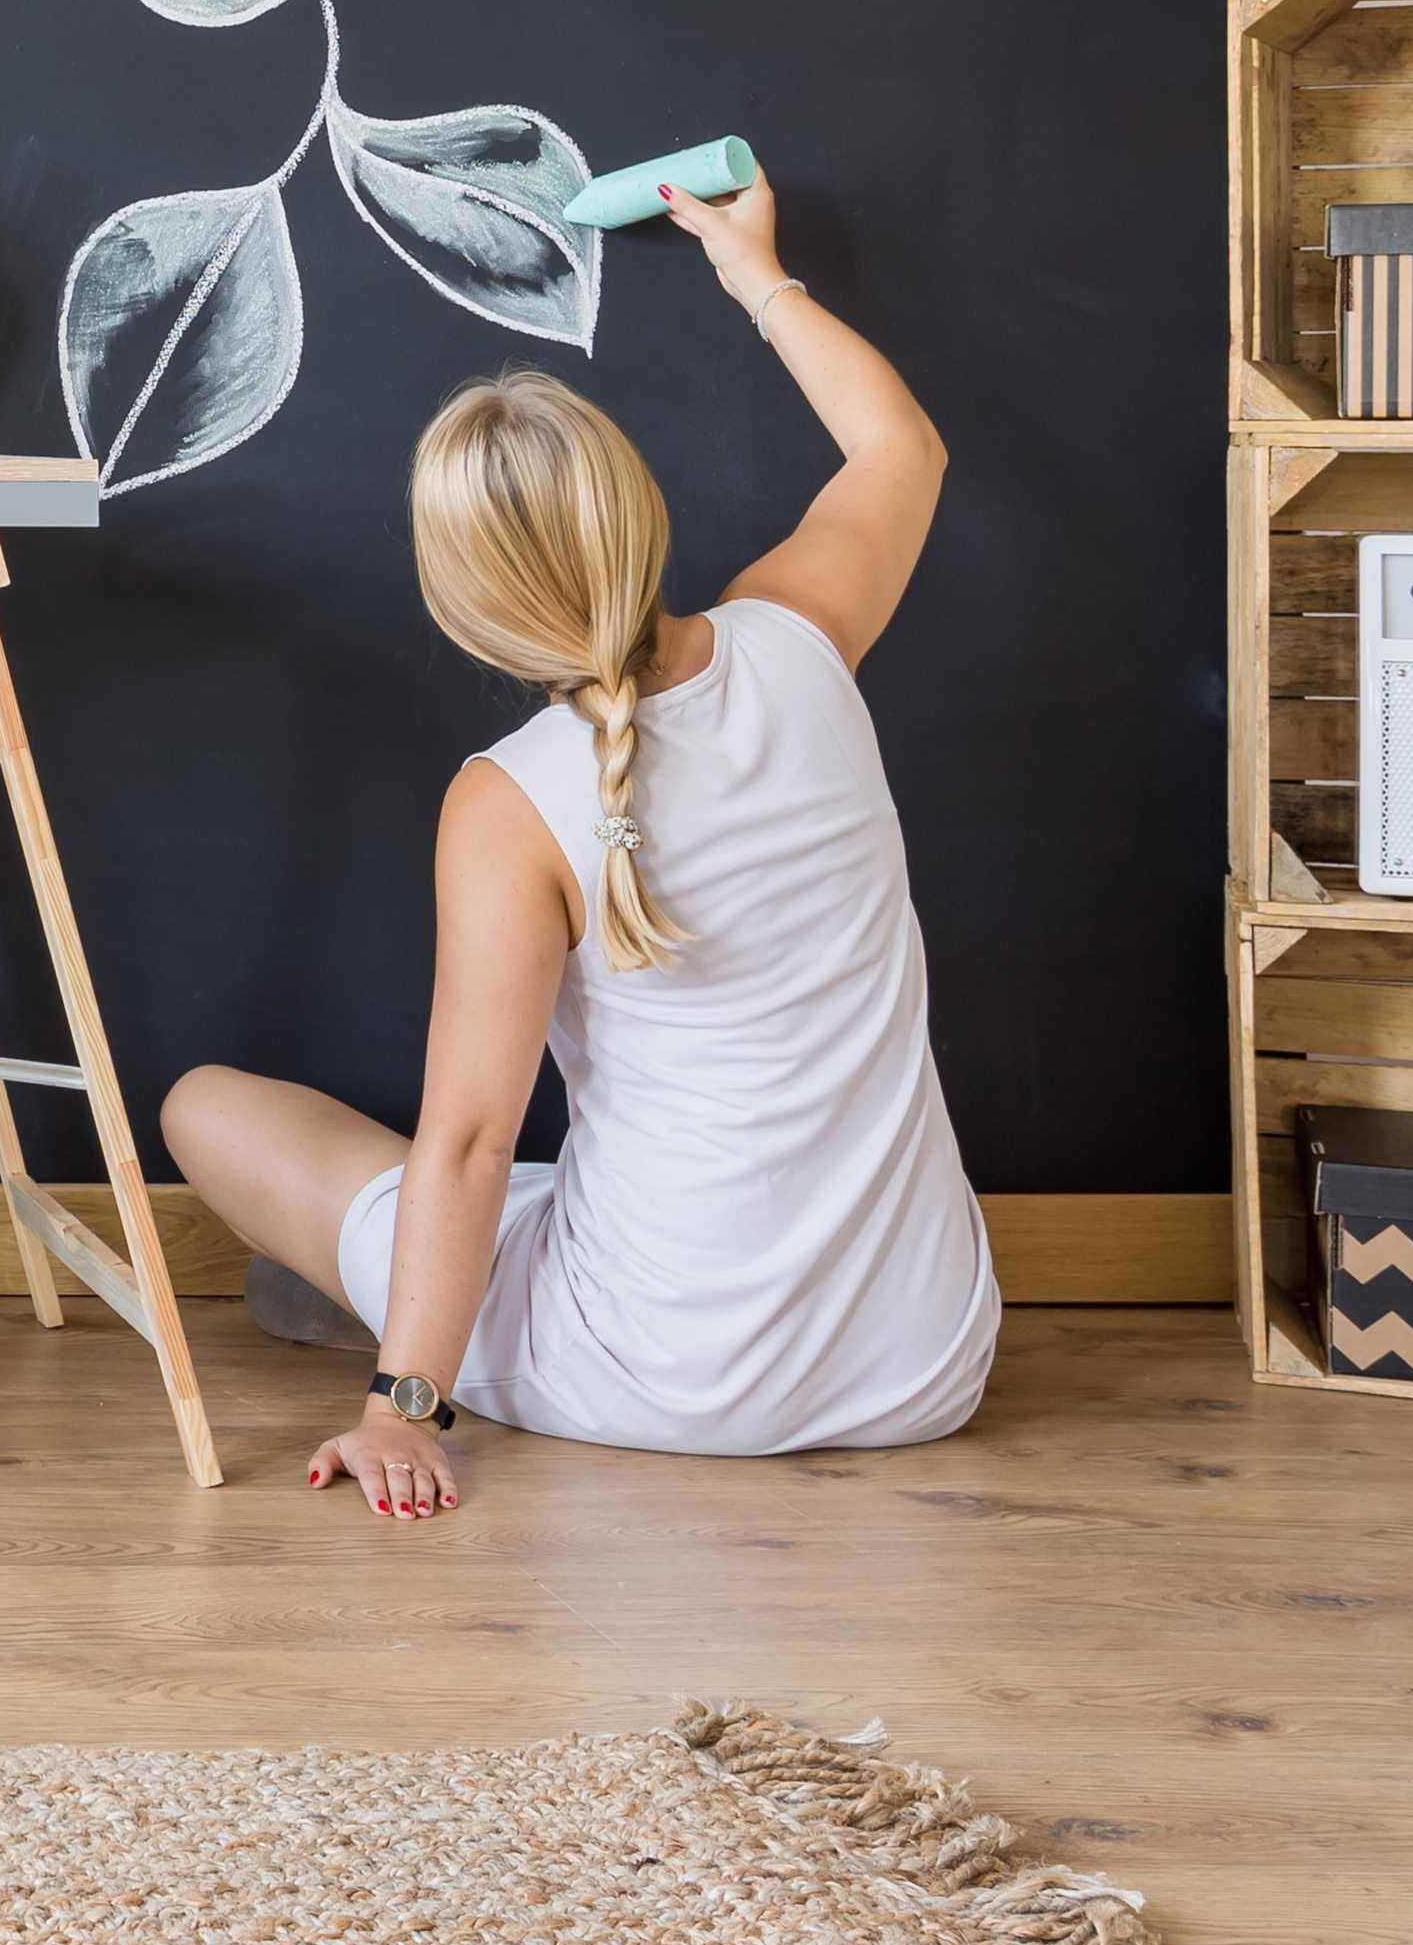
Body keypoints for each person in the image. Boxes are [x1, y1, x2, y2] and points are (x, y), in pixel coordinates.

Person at [159, 172, 993, 1521]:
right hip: (925, 1358)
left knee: (207, 1106)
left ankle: (410, 1322)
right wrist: (750, 268)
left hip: (658, 1374)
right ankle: (418, 1292)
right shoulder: (804, 643)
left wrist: (402, 1409)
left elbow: (473, 1136)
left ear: (465, 608)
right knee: (556, 1178)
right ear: (638, 510)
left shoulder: (511, 800)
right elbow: (902, 449)